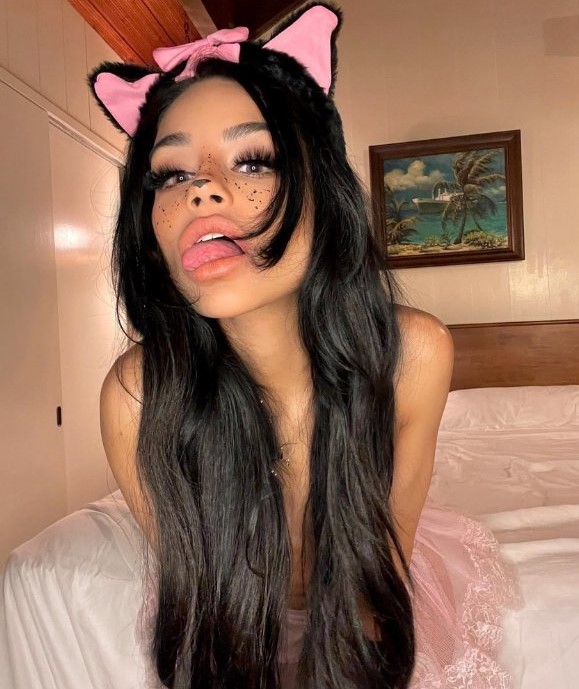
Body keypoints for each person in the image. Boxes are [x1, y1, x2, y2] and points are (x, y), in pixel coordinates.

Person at [91, 4, 518, 688]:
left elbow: (379, 575)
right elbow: (204, 601)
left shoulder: (414, 355)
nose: (202, 191)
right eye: (170, 175)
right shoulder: (136, 397)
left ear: (326, 194)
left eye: (253, 160)